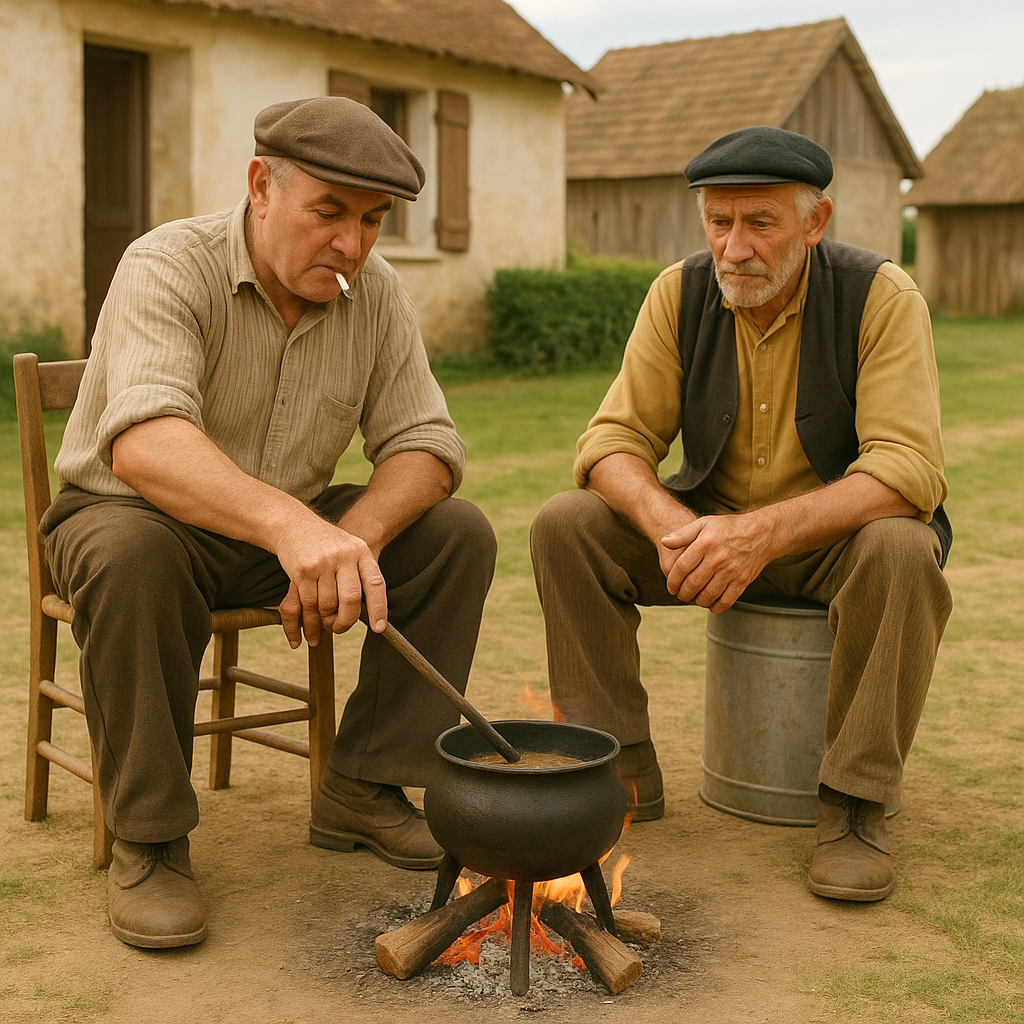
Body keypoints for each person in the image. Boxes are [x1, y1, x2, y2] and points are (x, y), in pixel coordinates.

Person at [41, 97, 496, 948]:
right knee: (133, 555)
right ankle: (150, 838)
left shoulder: (376, 293)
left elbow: (427, 443)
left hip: (275, 535)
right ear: (261, 186)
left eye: (373, 221)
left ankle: (361, 785)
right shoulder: (167, 263)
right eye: (330, 213)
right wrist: (294, 530)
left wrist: (348, 537)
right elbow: (143, 442)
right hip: (130, 516)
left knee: (456, 533)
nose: (353, 245)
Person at [530, 126, 952, 903]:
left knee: (903, 545)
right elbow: (612, 440)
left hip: (834, 541)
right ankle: (618, 774)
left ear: (816, 222)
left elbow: (907, 468)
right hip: (708, 533)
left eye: (761, 223)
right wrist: (672, 528)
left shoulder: (880, 295)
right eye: (719, 222)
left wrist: (761, 534)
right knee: (567, 522)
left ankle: (854, 808)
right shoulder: (679, 292)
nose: (734, 248)